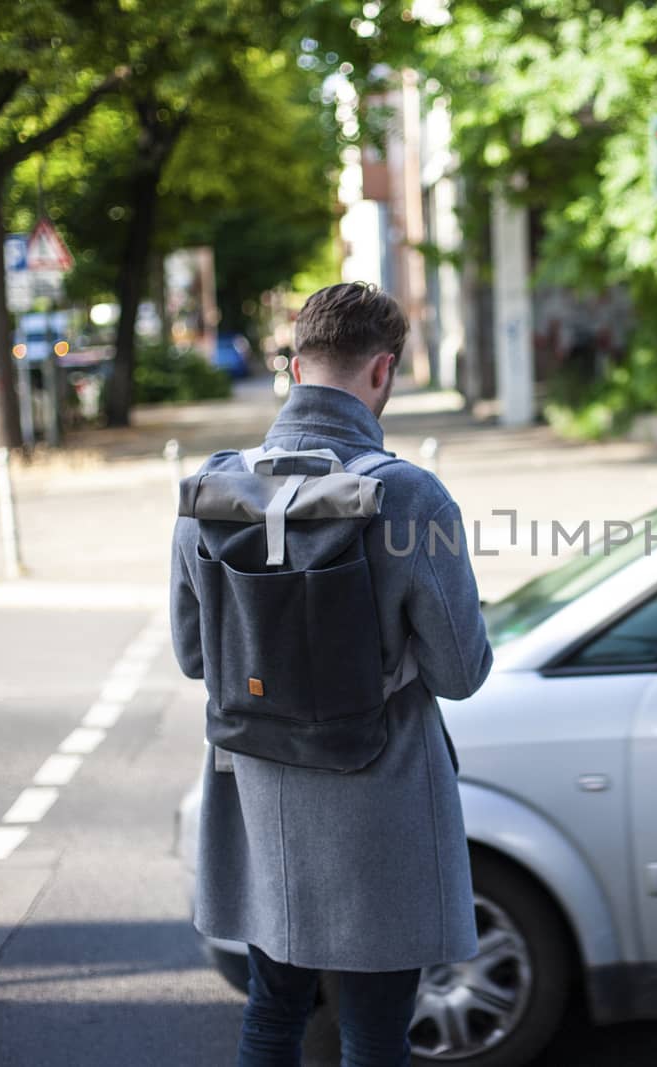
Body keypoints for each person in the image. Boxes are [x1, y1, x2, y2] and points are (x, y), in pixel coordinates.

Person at [170, 282, 493, 1067]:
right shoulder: (410, 495)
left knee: (273, 1016)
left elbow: (192, 656)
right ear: (382, 371)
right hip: (378, 806)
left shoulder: (213, 489)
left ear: (292, 363)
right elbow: (461, 672)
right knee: (376, 1034)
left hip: (261, 800)